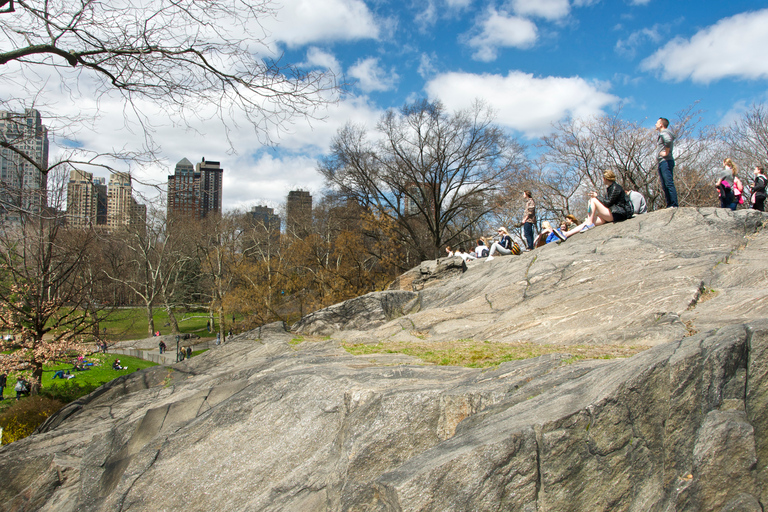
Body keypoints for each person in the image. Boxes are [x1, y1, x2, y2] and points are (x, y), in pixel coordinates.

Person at [565, 170, 632, 236]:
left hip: (618, 214)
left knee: (594, 199)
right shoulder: (611, 187)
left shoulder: (615, 187)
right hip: (612, 213)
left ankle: (589, 223)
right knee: (588, 221)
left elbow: (608, 203)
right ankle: (567, 234)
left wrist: (597, 196)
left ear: (605, 178)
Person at [655, 117, 678, 208]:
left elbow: (668, 141)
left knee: (668, 183)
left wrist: (666, 152)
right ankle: (670, 204)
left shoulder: (664, 133)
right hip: (662, 162)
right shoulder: (663, 133)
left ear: (661, 124)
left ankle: (673, 204)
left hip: (666, 161)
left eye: (657, 122)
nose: (655, 124)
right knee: (665, 185)